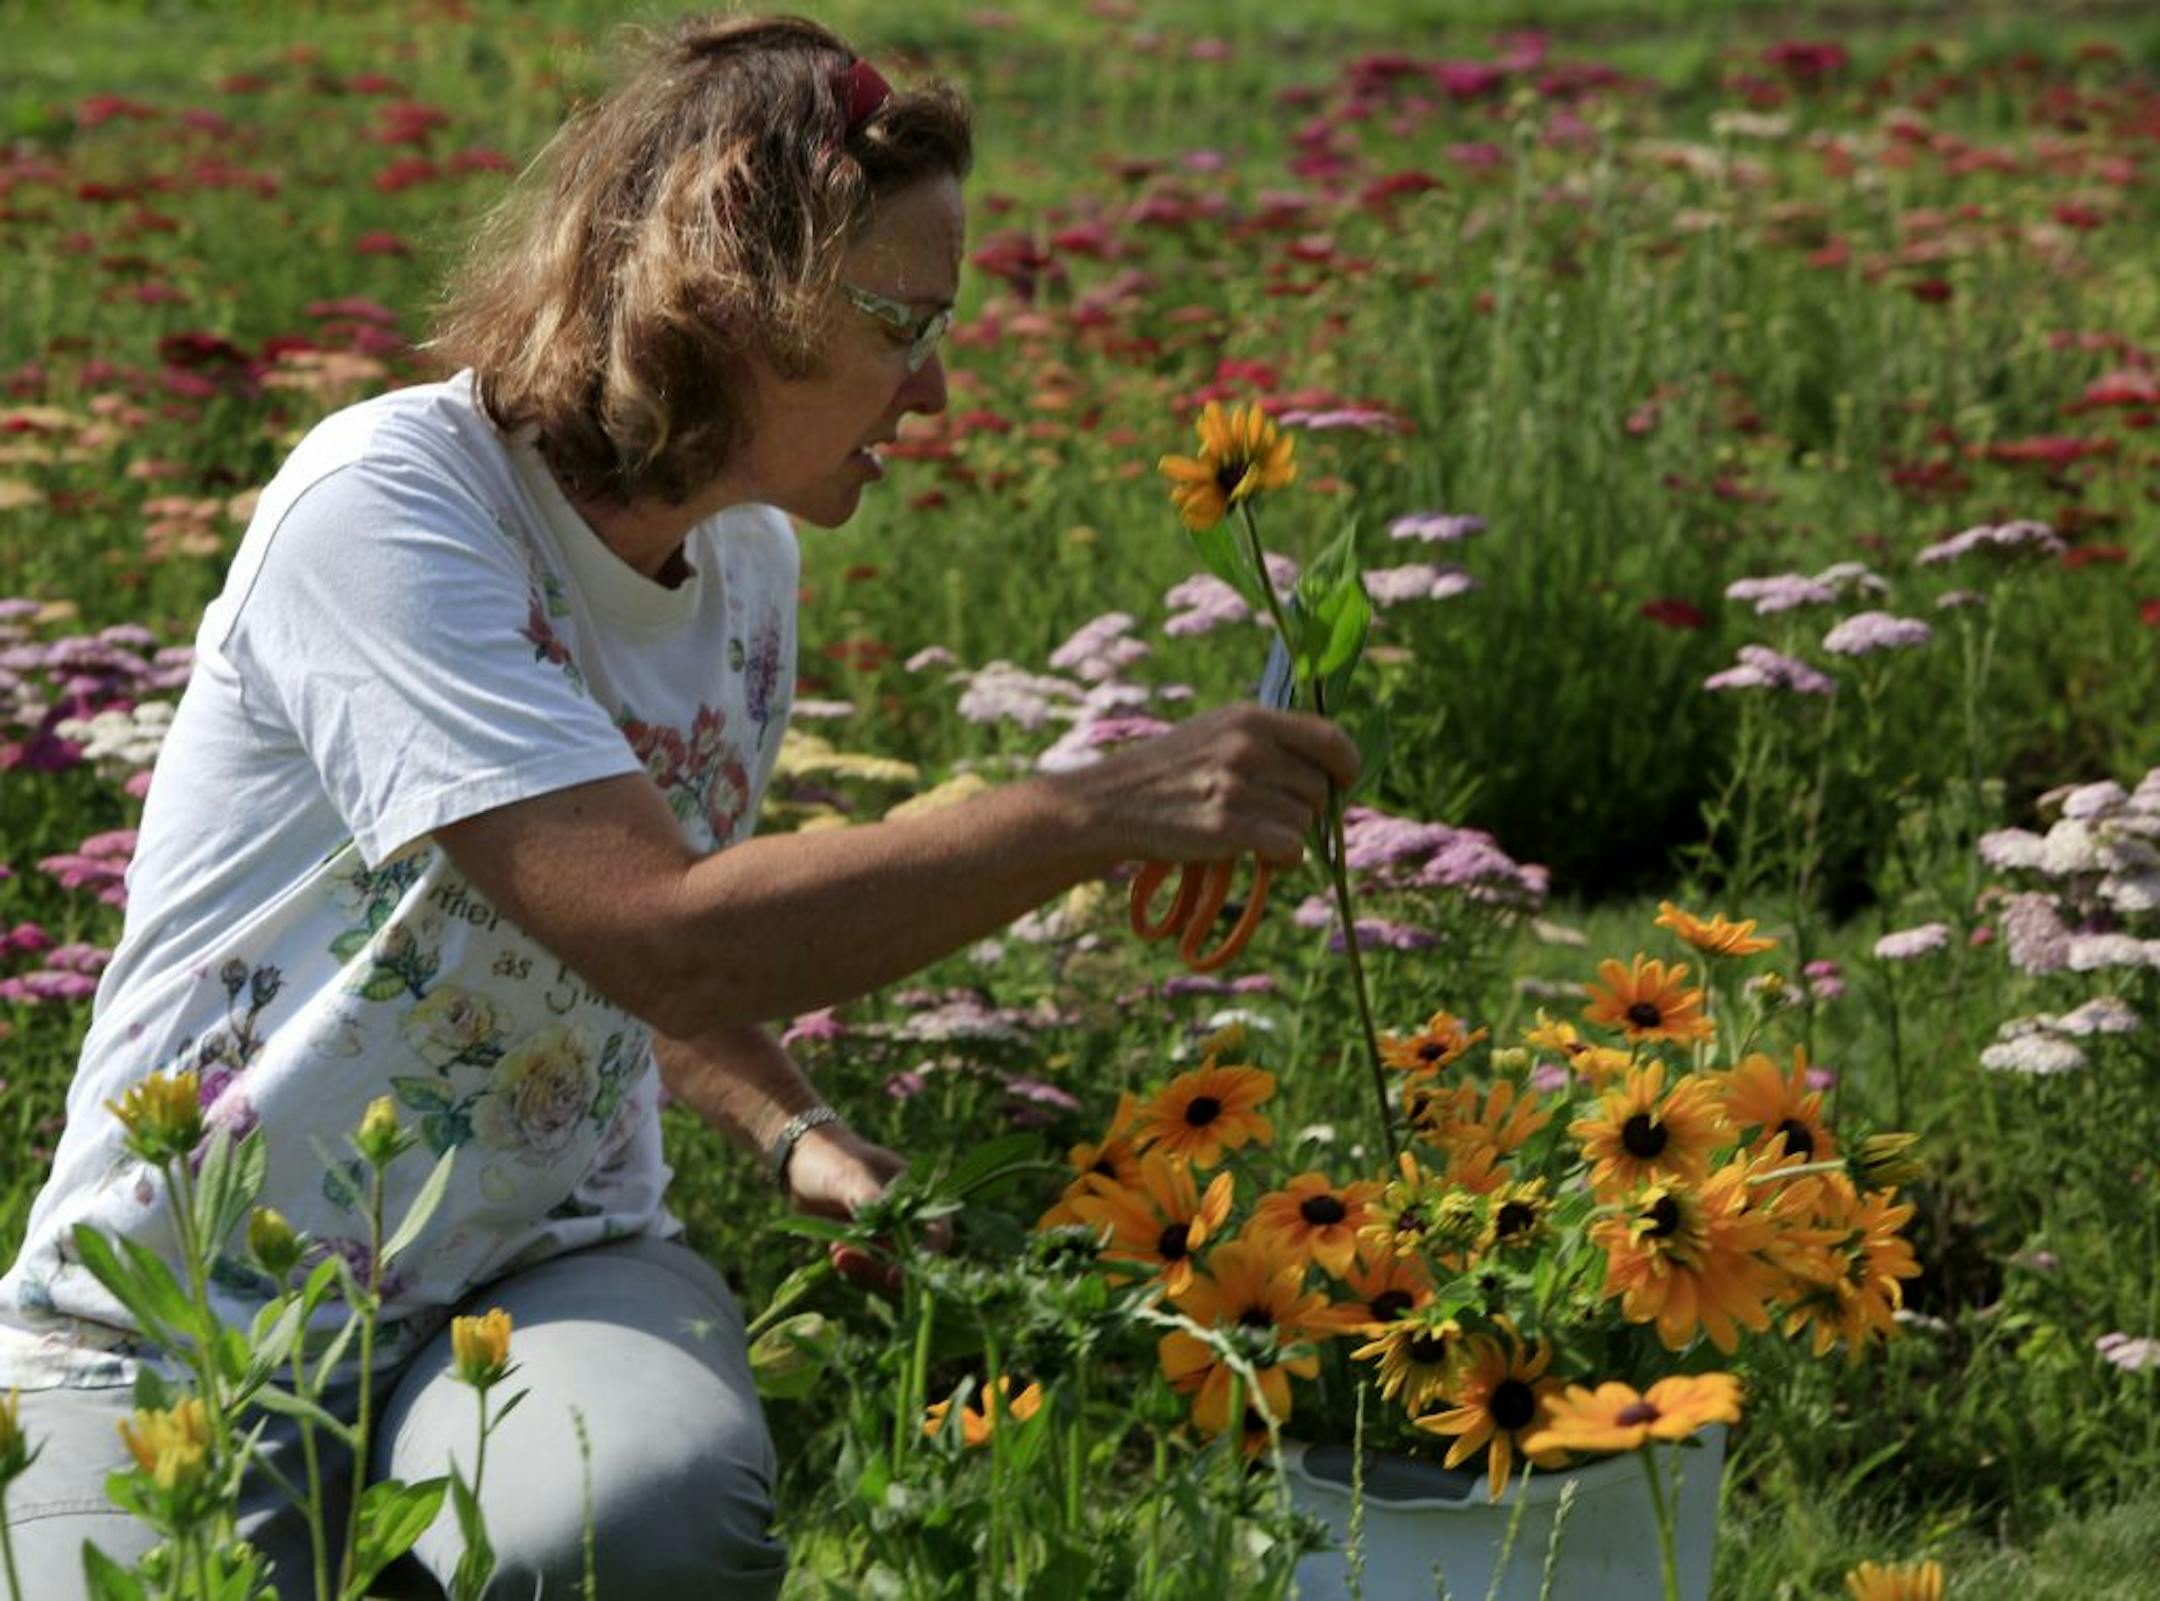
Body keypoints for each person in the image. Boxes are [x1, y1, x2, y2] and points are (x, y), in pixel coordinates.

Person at [0, 14, 1358, 1598]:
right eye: (901, 319)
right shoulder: (387, 511)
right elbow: (665, 937)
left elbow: (619, 938)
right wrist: (1086, 809)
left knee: (630, 1516)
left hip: (541, 1268)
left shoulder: (745, 566)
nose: (932, 384)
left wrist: (790, 1126)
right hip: (177, 1308)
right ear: (733, 292)